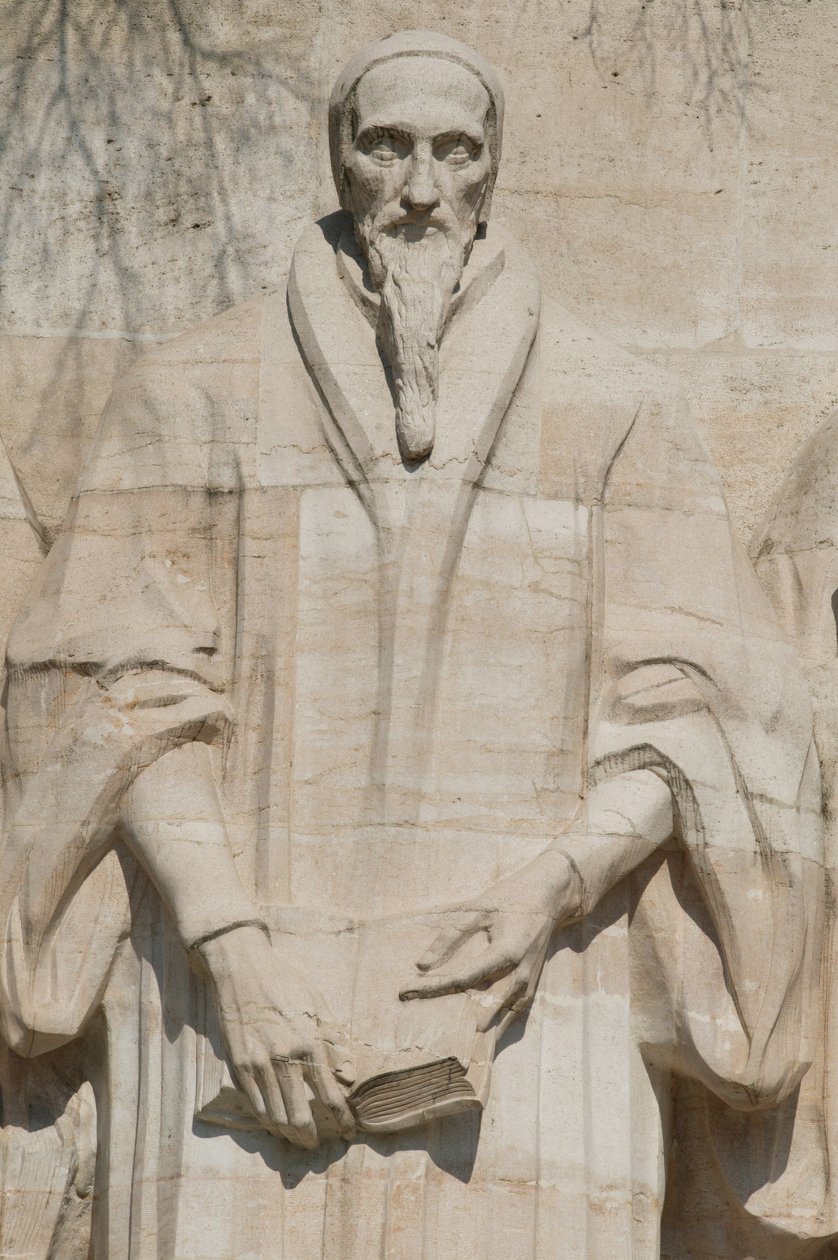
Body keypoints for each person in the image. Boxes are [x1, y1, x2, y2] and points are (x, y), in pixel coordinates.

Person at [0, 30, 823, 1259]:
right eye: (386, 147)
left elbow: (713, 716)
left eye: (455, 150)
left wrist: (552, 891)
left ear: (494, 166)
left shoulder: (622, 407)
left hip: (536, 1009)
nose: (421, 187)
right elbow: (109, 692)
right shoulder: (188, 390)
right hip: (224, 1013)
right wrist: (231, 946)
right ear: (340, 158)